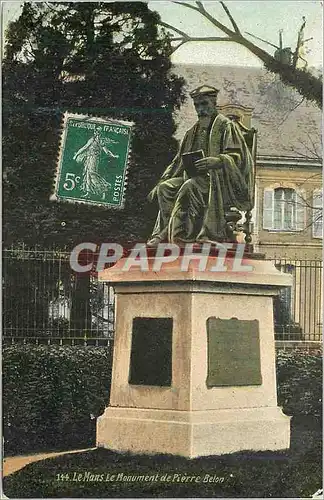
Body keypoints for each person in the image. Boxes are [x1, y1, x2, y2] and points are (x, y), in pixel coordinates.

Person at [147, 85, 254, 246]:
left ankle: (181, 235)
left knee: (190, 186)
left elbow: (238, 157)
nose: (200, 109)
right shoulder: (192, 132)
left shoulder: (227, 126)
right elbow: (178, 161)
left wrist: (218, 161)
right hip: (197, 179)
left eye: (204, 104)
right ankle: (166, 232)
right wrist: (162, 181)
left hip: (220, 182)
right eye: (197, 105)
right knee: (166, 188)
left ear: (213, 103)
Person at [73, 128, 119, 200]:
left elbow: (106, 151)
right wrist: (76, 154)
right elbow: (84, 147)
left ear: (100, 133)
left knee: (92, 174)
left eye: (98, 132)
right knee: (87, 174)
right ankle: (88, 193)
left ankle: (104, 190)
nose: (97, 133)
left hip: (94, 159)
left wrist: (113, 156)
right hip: (88, 158)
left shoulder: (101, 141)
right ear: (95, 132)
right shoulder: (92, 140)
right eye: (96, 131)